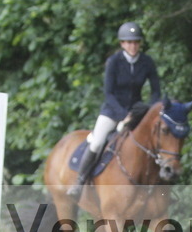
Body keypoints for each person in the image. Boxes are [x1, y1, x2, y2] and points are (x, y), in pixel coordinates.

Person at [68, 21, 161, 198]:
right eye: (129, 42)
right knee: (96, 141)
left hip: (136, 111)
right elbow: (108, 93)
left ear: (139, 43)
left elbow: (156, 91)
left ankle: (159, 186)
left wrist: (150, 110)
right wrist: (122, 115)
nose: (132, 46)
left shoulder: (147, 62)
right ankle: (79, 182)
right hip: (112, 111)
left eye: (135, 42)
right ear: (122, 44)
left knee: (153, 141)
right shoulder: (114, 62)